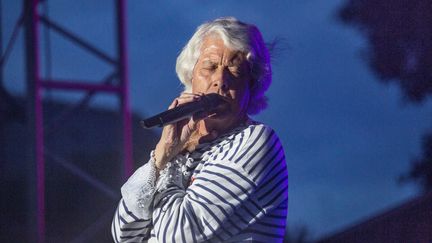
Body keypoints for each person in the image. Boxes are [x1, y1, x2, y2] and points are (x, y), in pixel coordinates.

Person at [112, 17, 288, 243]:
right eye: (210, 67)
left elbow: (178, 237)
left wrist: (171, 166)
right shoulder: (179, 147)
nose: (220, 81)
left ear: (251, 86)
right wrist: (163, 155)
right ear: (190, 75)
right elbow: (123, 234)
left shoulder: (254, 141)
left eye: (234, 71)